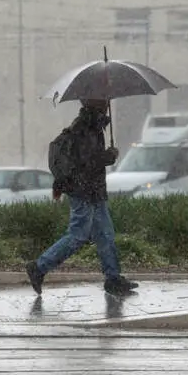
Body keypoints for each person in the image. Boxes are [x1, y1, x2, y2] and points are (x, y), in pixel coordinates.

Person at [27, 99, 138, 296]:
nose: (107, 103)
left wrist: (106, 156)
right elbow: (85, 163)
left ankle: (113, 279)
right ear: (96, 104)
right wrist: (107, 157)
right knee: (78, 234)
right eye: (104, 100)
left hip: (93, 191)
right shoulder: (83, 128)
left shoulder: (94, 126)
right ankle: (39, 267)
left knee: (105, 234)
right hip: (83, 191)